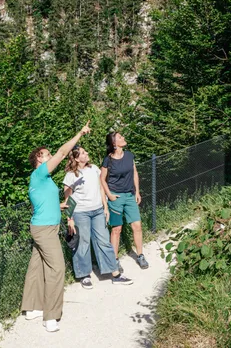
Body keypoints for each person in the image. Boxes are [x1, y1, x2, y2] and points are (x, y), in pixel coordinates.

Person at [20, 122, 91, 333]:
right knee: (57, 268)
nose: (50, 155)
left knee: (37, 266)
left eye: (49, 153)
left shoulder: (42, 179)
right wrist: (79, 133)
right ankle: (50, 316)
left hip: (42, 226)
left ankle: (31, 308)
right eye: (46, 154)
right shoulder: (40, 173)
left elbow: (39, 201)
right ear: (38, 160)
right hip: (45, 229)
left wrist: (58, 205)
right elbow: (62, 152)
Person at [63, 145, 133, 288]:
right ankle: (84, 274)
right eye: (83, 153)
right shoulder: (71, 175)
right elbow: (67, 199)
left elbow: (101, 187)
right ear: (76, 158)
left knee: (104, 241)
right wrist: (69, 219)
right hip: (80, 212)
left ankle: (114, 273)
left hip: (98, 211)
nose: (86, 153)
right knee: (83, 243)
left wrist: (105, 207)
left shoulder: (94, 169)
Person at [100, 132, 149, 270]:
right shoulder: (108, 160)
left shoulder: (129, 155)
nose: (123, 138)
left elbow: (134, 172)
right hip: (116, 197)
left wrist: (137, 191)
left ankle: (140, 255)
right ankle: (114, 260)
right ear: (114, 144)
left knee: (137, 226)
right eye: (120, 137)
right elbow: (102, 179)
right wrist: (109, 195)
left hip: (129, 195)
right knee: (116, 229)